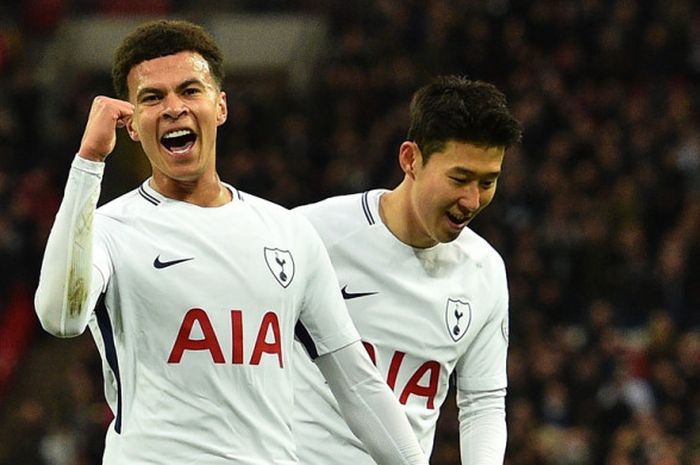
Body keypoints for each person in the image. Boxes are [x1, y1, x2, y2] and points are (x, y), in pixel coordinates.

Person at [34, 19, 428, 465]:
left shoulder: (287, 233)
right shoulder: (109, 229)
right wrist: (88, 162)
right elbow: (60, 317)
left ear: (220, 106)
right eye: (152, 97)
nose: (173, 108)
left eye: (189, 90)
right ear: (132, 123)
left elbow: (357, 384)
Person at [292, 75, 523, 465]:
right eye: (460, 178)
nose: (472, 200)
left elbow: (482, 401)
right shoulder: (312, 235)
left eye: (488, 182)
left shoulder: (485, 271)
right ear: (410, 159)